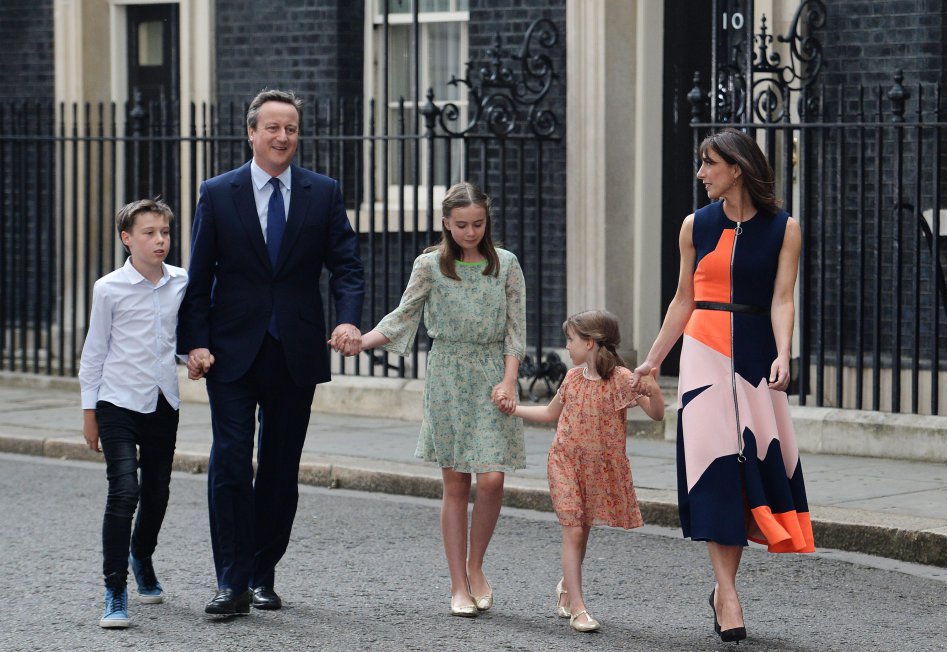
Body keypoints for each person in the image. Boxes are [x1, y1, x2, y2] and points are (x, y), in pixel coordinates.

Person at [177, 89, 365, 616]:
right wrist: (193, 342)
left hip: (294, 351)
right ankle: (231, 582)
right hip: (231, 352)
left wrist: (348, 317)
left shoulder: (322, 192)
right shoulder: (218, 193)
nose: (284, 137)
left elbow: (346, 266)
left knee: (280, 469)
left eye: (292, 129)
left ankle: (263, 573)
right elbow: (201, 274)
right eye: (274, 128)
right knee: (231, 463)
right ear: (252, 133)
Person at [632, 127, 814, 644]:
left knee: (746, 471)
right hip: (704, 357)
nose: (700, 173)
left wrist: (783, 353)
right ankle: (727, 593)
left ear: (736, 167)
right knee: (714, 468)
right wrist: (652, 361)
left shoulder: (785, 228)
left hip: (756, 357)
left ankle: (723, 589)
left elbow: (783, 298)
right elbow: (682, 300)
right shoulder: (696, 225)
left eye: (708, 163)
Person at [357, 182, 526, 617]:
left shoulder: (505, 264)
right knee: (456, 482)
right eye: (462, 225)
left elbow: (515, 331)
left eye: (478, 224)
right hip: (448, 373)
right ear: (446, 224)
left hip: (492, 374)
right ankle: (458, 585)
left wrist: (509, 381)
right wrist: (361, 343)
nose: (471, 232)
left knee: (491, 478)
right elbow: (403, 316)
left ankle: (476, 566)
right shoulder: (430, 265)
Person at [499, 310, 664, 633]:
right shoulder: (572, 377)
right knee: (574, 530)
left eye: (570, 340)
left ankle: (565, 586)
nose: (567, 346)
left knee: (582, 531)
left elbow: (656, 415)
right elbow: (550, 413)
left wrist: (654, 391)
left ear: (589, 343)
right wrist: (513, 409)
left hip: (599, 467)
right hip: (565, 462)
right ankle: (579, 608)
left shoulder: (622, 379)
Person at [79, 199, 188, 628]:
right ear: (127, 239)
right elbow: (95, 352)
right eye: (149, 233)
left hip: (163, 401)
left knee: (157, 492)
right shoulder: (108, 288)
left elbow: (180, 340)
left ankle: (141, 555)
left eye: (164, 232)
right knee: (124, 491)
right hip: (117, 400)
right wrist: (89, 412)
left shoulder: (182, 281)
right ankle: (114, 588)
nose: (160, 240)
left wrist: (193, 356)